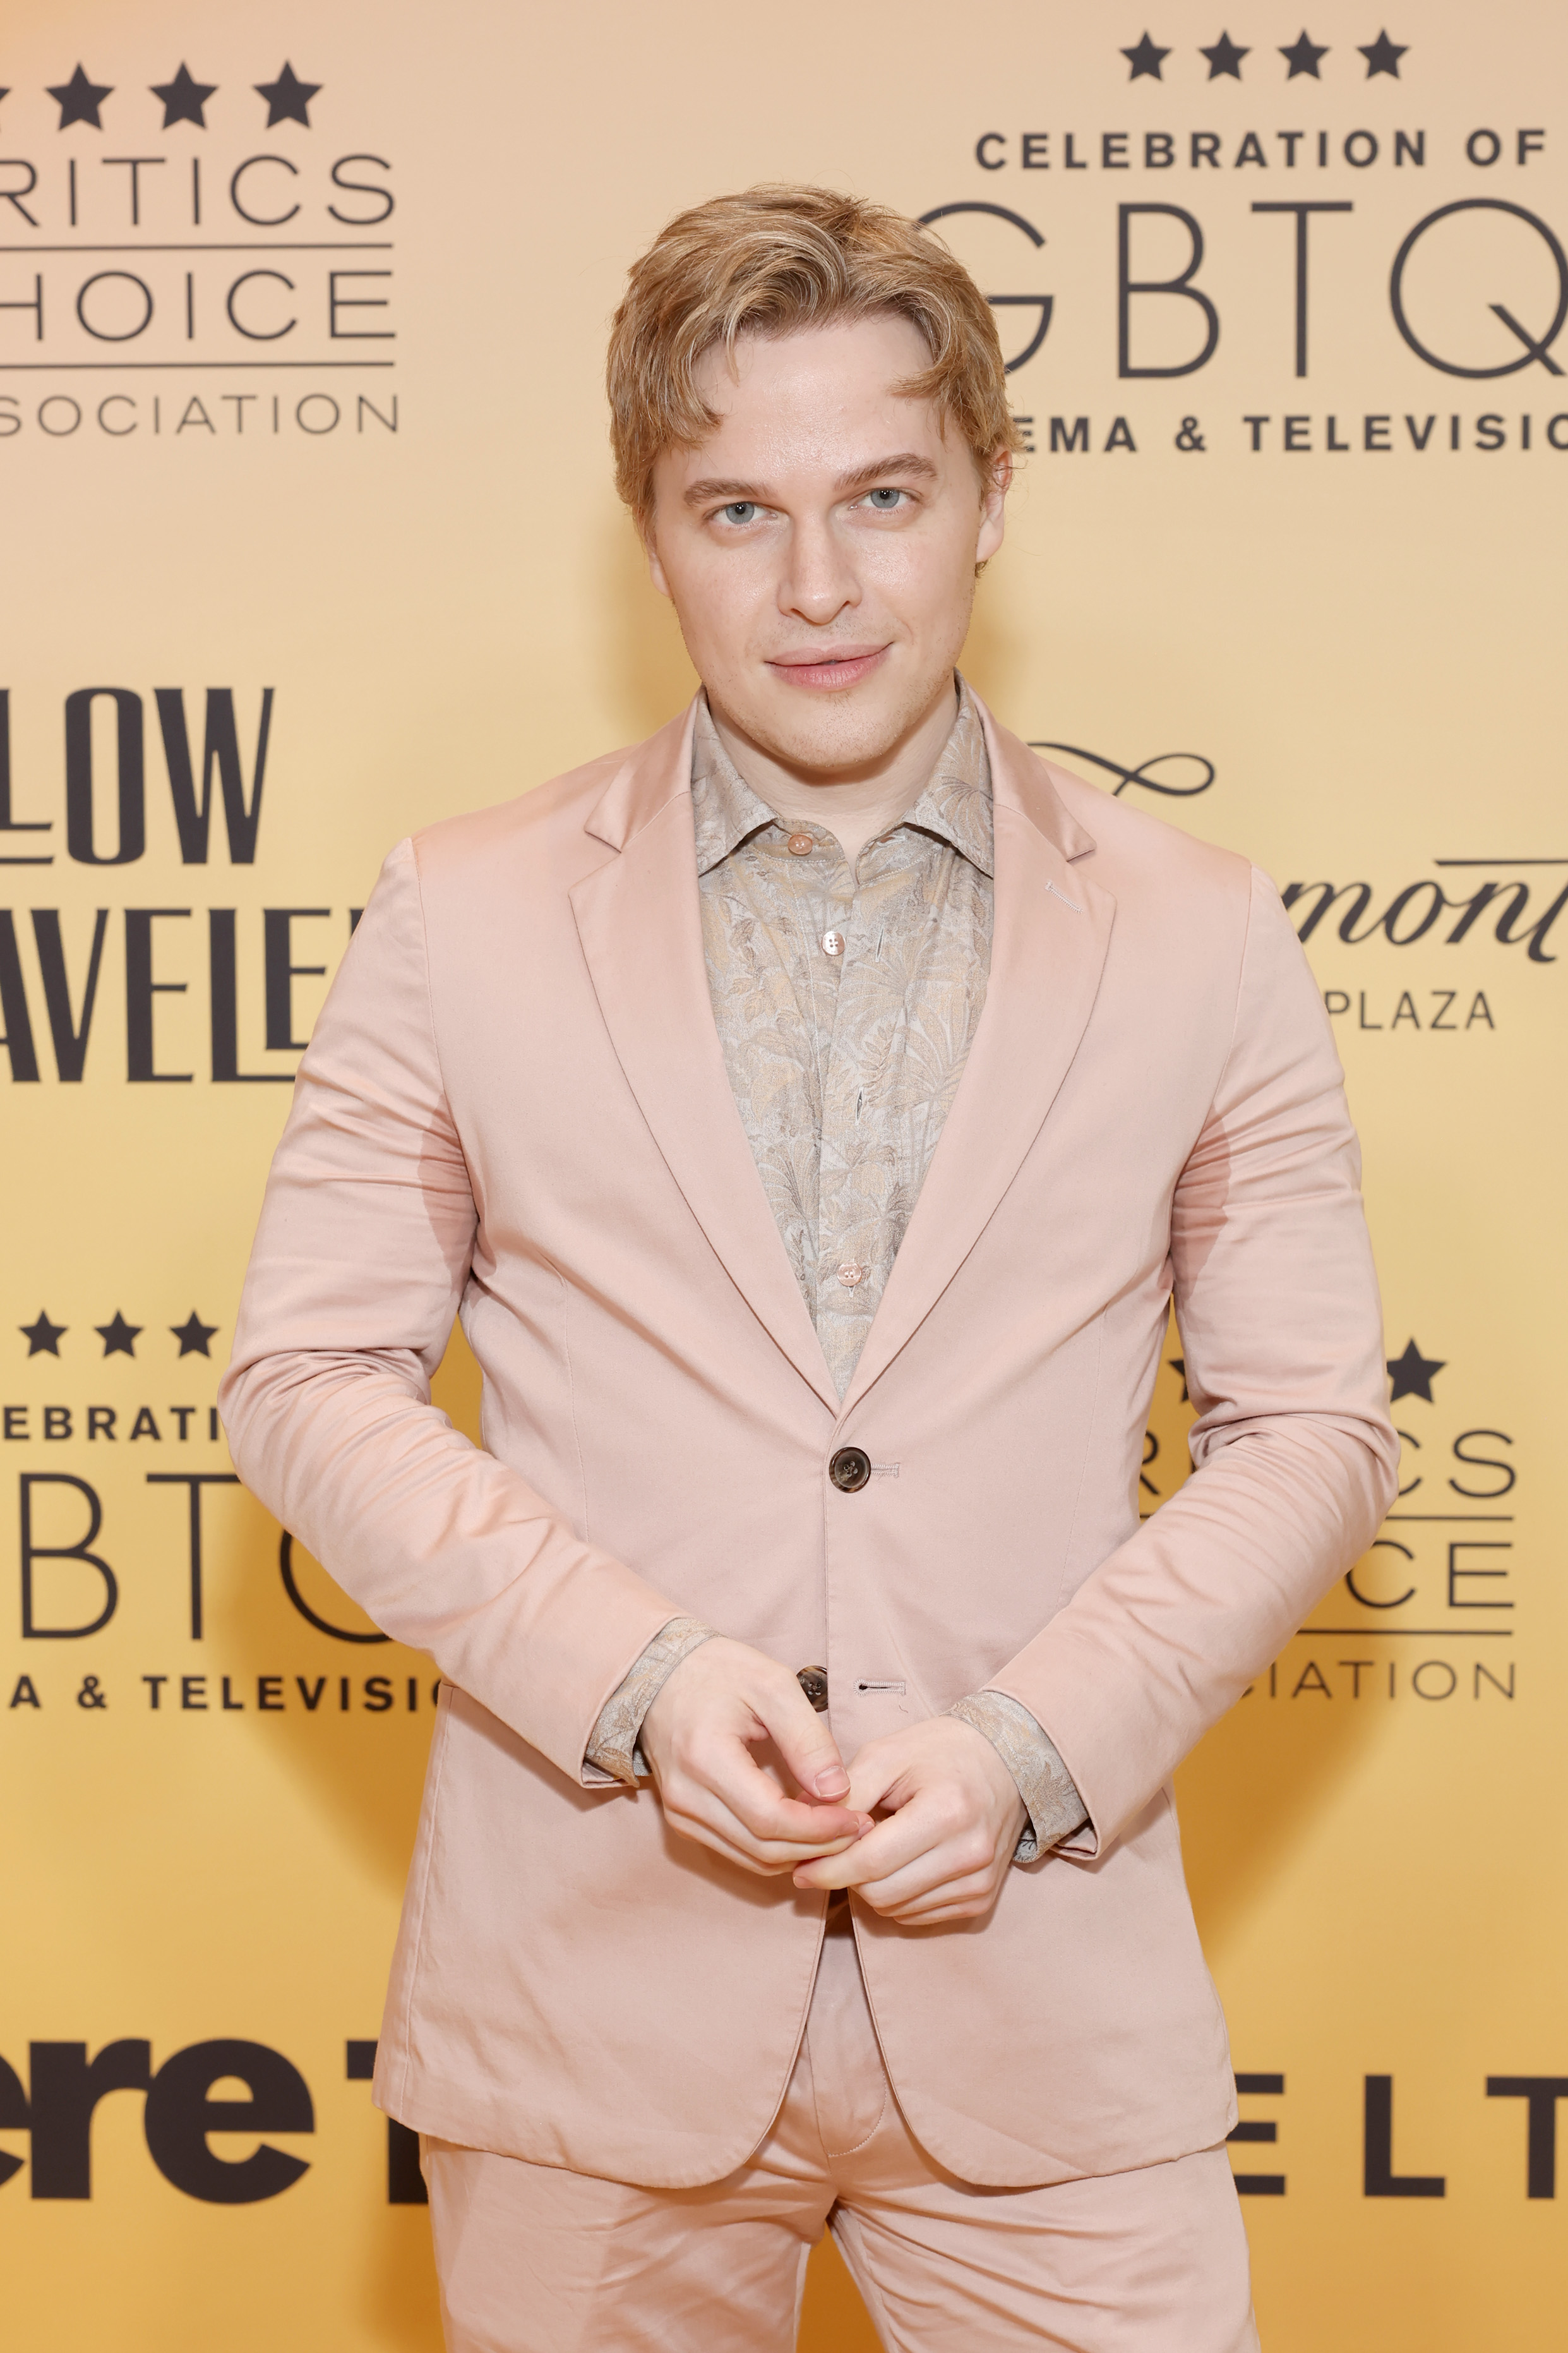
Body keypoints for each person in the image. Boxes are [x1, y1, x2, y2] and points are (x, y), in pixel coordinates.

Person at [221, 186, 1397, 2351]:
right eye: (736, 509)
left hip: (1049, 2007)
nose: (821, 584)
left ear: (988, 500)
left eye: (882, 494)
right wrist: (641, 1680)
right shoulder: (460, 912)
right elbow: (303, 1378)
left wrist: (1037, 1746)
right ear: (647, 531)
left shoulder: (1200, 926)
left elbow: (1310, 1418)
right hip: (588, 2009)